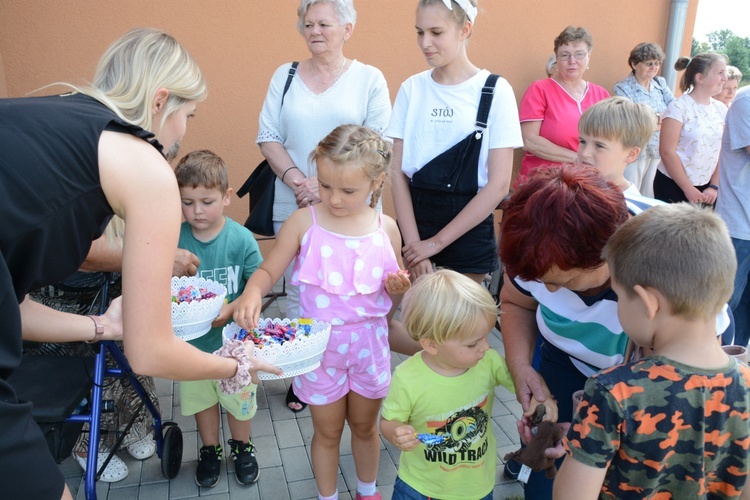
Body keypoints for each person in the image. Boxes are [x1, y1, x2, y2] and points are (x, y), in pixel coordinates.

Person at [0, 28, 279, 500]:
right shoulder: (142, 162)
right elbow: (151, 353)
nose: (184, 130)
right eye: (188, 115)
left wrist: (100, 326)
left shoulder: (52, 126)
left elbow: (14, 306)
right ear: (160, 101)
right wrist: (234, 366)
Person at [498, 165, 733, 500]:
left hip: (649, 391)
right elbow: (515, 302)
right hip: (570, 368)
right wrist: (521, 366)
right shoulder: (532, 247)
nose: (546, 292)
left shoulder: (678, 257)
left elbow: (675, 382)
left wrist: (595, 431)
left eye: (561, 281)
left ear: (610, 258)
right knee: (544, 478)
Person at [235, 125, 410, 500]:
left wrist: (397, 291)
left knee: (365, 427)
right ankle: (326, 496)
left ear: (377, 183)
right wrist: (253, 289)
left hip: (369, 348)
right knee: (327, 432)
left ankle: (368, 491)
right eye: (325, 185)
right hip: (319, 353)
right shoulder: (304, 223)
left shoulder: (386, 229)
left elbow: (388, 302)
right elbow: (268, 270)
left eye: (348, 190)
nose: (333, 198)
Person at [554, 203, 750, 499]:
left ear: (648, 303)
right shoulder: (747, 386)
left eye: (619, 295)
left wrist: (579, 443)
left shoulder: (613, 393)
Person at [257, 0, 391, 412]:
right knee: (303, 292)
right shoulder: (287, 74)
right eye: (308, 23)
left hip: (352, 205)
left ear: (347, 28)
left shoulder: (369, 78)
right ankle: (306, 375)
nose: (314, 30)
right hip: (295, 199)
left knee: (353, 291)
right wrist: (299, 180)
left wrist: (328, 185)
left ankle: (357, 367)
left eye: (325, 24)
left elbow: (380, 140)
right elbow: (267, 134)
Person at [380, 269, 557, 500]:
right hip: (420, 487)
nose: (485, 347)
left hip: (476, 488)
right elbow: (388, 421)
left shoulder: (488, 362)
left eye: (486, 336)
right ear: (431, 345)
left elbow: (525, 384)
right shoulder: (407, 377)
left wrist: (542, 400)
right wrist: (396, 432)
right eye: (473, 343)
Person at [388, 0, 522, 285]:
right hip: (415, 225)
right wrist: (415, 248)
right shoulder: (412, 88)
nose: (426, 43)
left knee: (462, 328)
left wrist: (435, 244)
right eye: (419, 32)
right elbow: (396, 173)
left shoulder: (495, 90)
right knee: (418, 324)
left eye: (436, 32)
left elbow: (498, 184)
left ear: (465, 29)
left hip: (468, 229)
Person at [174, 150, 264, 488]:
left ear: (227, 197)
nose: (197, 210)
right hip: (192, 349)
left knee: (240, 403)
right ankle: (209, 449)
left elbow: (257, 285)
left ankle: (242, 447)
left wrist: (233, 307)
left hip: (235, 348)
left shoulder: (240, 239)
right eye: (187, 202)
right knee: (203, 402)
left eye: (207, 201)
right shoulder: (176, 240)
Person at [517, 26, 609, 181]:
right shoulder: (540, 89)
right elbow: (529, 140)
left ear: (589, 57)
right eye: (565, 55)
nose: (572, 61)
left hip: (585, 182)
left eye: (579, 54)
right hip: (544, 182)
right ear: (556, 58)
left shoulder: (601, 94)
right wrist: (578, 159)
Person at [654, 53, 728, 204]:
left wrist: (714, 185)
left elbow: (722, 149)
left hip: (707, 191)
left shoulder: (720, 109)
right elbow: (667, 152)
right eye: (720, 73)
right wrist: (688, 189)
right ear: (700, 78)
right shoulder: (678, 107)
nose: (725, 78)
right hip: (673, 186)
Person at [613, 42, 675, 197]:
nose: (654, 67)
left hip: (657, 150)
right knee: (630, 194)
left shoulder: (660, 84)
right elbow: (631, 121)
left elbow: (675, 112)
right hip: (635, 151)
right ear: (634, 64)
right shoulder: (622, 88)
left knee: (649, 195)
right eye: (649, 63)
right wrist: (662, 118)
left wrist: (654, 119)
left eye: (657, 63)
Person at [717, 85, 750, 348]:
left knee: (745, 314)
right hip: (738, 227)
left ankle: (736, 374)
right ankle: (710, 375)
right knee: (723, 309)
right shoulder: (746, 101)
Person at [577, 96, 655, 194]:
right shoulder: (573, 189)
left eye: (599, 145)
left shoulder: (629, 205)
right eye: (583, 142)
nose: (585, 153)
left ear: (631, 154)